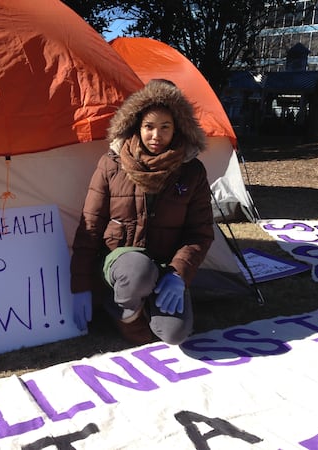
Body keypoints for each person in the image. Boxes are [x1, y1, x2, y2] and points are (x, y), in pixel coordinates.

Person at [70, 79, 215, 345]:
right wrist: (80, 287)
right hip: (122, 262)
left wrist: (178, 274)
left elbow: (200, 232)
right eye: (149, 127)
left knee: (174, 334)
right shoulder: (111, 164)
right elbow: (90, 226)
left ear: (178, 128)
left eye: (165, 127)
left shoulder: (192, 171)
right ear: (137, 125)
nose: (156, 136)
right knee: (138, 270)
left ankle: (148, 303)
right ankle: (122, 309)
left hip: (165, 268)